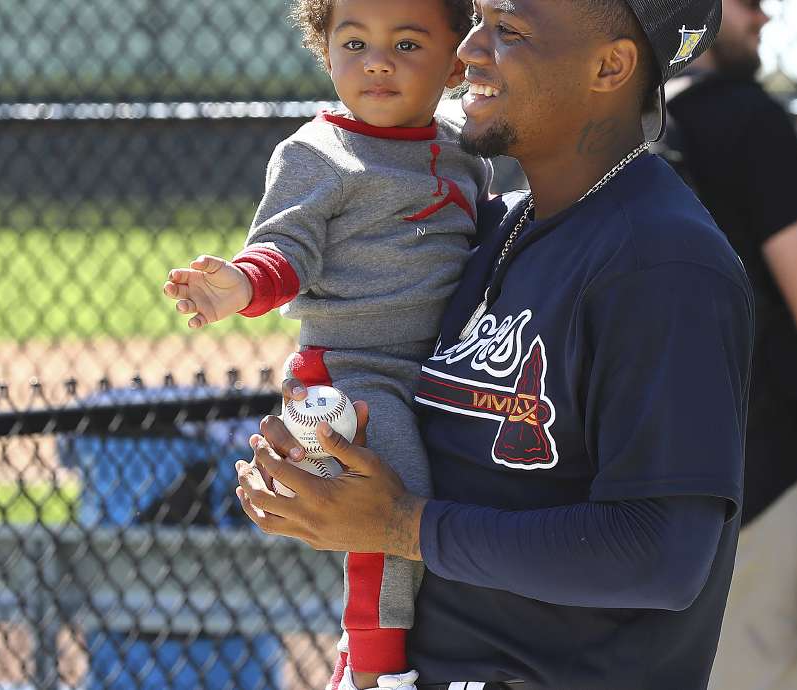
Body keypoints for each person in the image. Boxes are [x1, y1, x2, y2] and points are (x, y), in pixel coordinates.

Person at [235, 1, 755, 689]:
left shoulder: (662, 263)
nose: (470, 50)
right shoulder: (489, 229)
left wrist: (403, 526)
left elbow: (659, 556)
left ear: (611, 65)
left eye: (508, 30)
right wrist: (327, 459)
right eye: (478, 19)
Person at [162, 0, 489, 686]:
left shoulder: (465, 146)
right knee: (392, 505)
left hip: (438, 371)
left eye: (406, 43)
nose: (377, 61)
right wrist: (239, 286)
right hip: (353, 374)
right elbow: (283, 249)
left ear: (457, 58)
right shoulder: (319, 152)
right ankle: (370, 669)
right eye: (354, 42)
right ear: (325, 51)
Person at [656, 1, 797, 687]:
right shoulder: (745, 116)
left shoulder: (606, 125)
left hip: (635, 490)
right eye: (746, 4)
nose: (764, 19)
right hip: (765, 468)